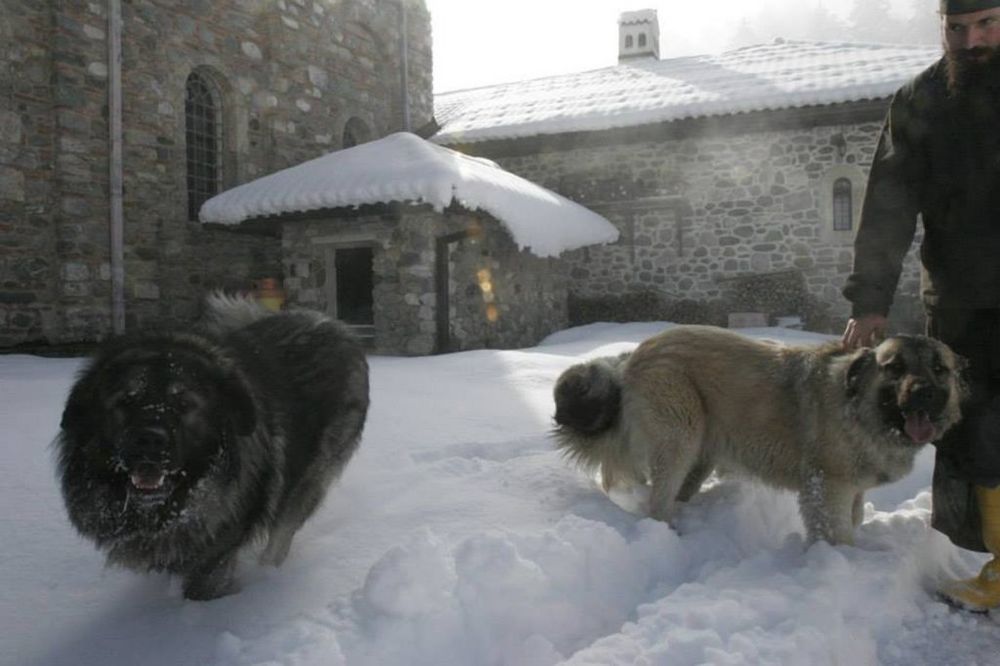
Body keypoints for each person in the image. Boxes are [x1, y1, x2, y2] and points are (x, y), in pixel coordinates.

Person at [841, 0, 1000, 611]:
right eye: (956, 29)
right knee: (977, 434)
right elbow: (887, 205)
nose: (971, 40)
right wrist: (871, 300)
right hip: (962, 304)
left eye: (987, 24)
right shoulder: (919, 103)